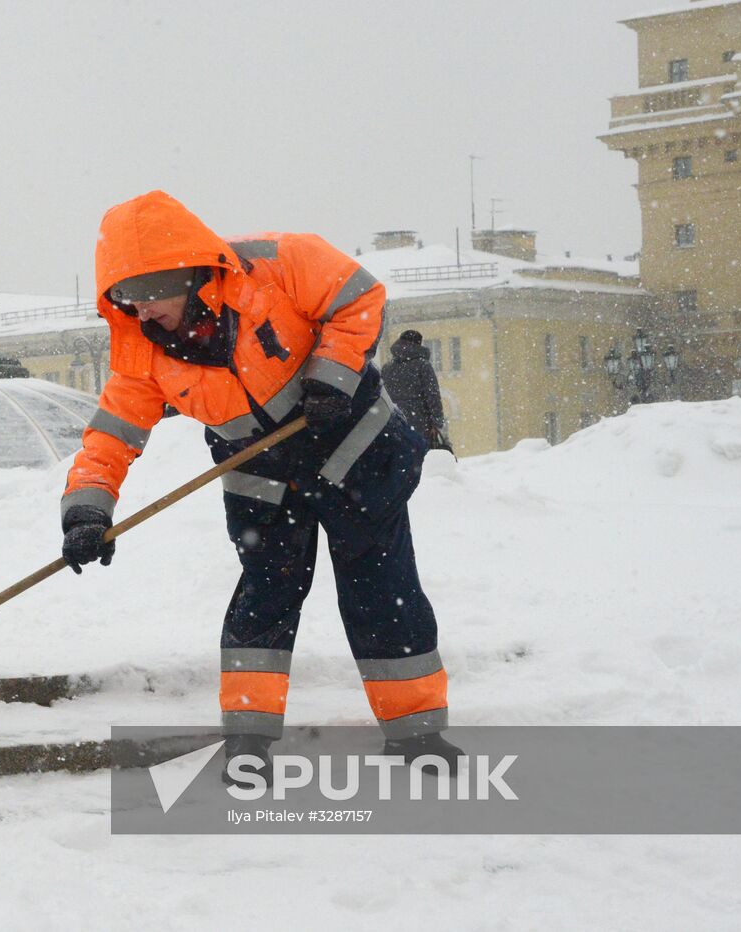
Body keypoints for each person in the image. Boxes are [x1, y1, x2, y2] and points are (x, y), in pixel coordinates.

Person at [60, 191, 458, 776]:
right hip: (264, 480)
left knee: (382, 595)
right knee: (262, 604)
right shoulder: (139, 352)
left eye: (145, 294)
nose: (138, 312)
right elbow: (110, 438)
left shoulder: (280, 264)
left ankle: (417, 738)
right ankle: (247, 745)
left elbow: (359, 297)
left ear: (188, 274)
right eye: (123, 297)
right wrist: (87, 512)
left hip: (354, 455)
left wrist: (331, 376)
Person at [383, 330, 452, 453]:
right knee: (422, 460)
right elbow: (432, 395)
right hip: (420, 422)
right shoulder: (423, 365)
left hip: (394, 422)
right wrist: (437, 422)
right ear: (418, 344)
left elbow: (382, 396)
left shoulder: (387, 368)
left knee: (401, 458)